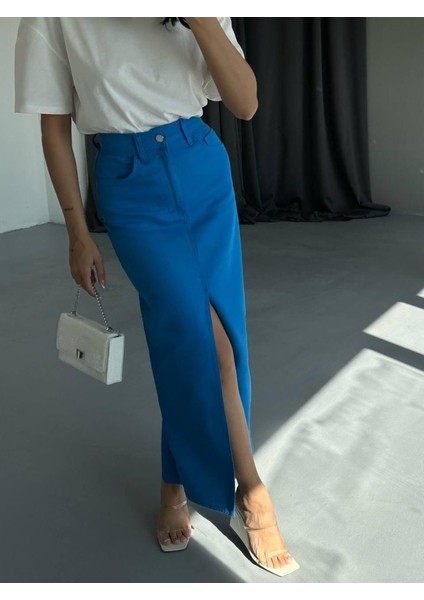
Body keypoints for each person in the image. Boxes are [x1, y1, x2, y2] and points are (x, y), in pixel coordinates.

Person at [14, 17, 299, 577]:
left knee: (206, 338)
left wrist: (197, 16)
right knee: (203, 340)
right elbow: (54, 128)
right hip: (129, 182)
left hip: (201, 164)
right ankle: (251, 491)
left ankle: (175, 481)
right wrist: (77, 233)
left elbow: (245, 102)